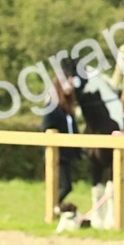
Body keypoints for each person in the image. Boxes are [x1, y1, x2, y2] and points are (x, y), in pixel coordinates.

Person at [41, 76, 80, 205]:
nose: (70, 86)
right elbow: (46, 128)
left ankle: (54, 208)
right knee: (65, 186)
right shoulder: (52, 106)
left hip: (66, 154)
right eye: (66, 84)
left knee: (63, 185)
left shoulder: (67, 107)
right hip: (57, 153)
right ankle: (52, 208)